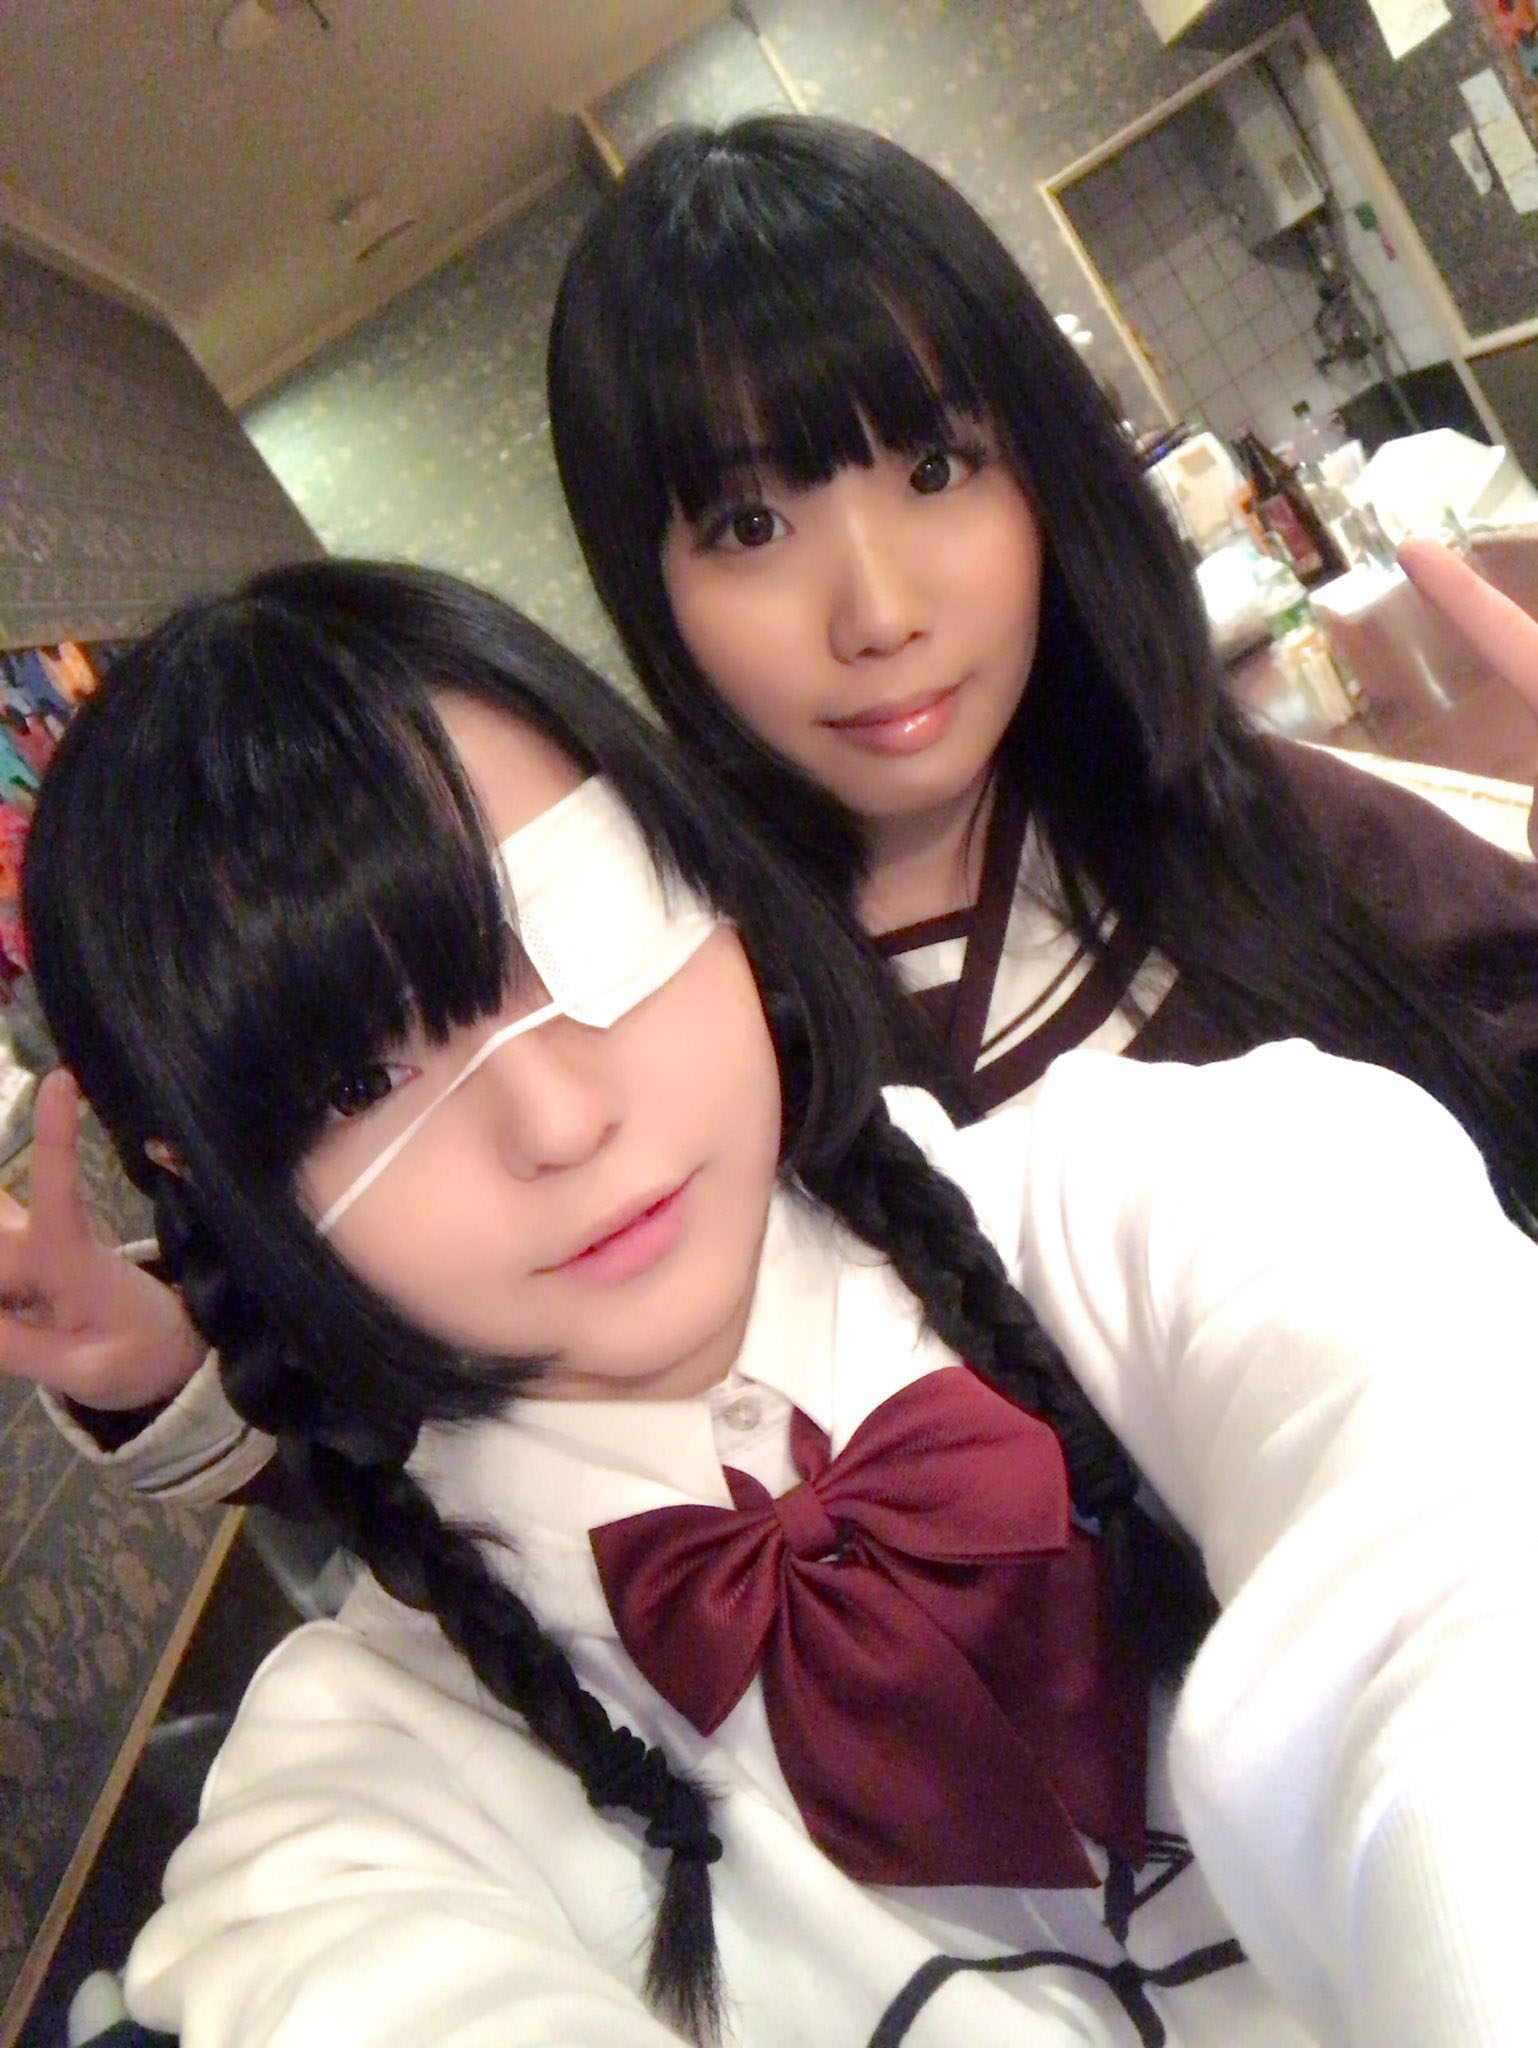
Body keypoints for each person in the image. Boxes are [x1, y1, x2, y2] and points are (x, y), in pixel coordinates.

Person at [17, 558, 1538, 2047]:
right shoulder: (356, 1799)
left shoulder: (1186, 1185)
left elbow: (1458, 1557)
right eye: (355, 1083)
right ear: (218, 1183)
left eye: (580, 923)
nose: (558, 1118)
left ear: (699, 867)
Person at [546, 113, 1538, 1212]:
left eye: (934, 470)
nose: (878, 616)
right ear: (647, 592)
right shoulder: (726, 1073)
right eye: (749, 527)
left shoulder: (1237, 821)